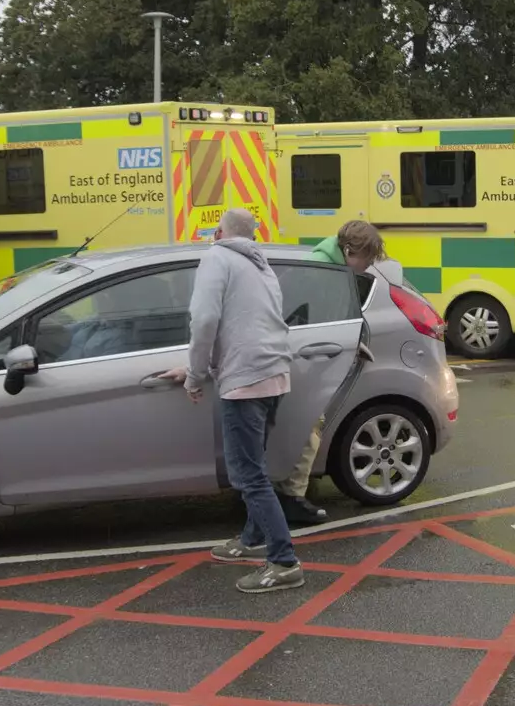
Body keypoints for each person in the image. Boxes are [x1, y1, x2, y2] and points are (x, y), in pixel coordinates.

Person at [165, 208, 303, 593]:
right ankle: (252, 538)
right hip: (274, 374)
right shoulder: (262, 267)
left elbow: (205, 320)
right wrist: (198, 369)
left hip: (245, 380)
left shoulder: (216, 257)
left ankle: (284, 561)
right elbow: (245, 325)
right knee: (254, 467)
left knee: (247, 475)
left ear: (219, 232)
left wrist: (195, 375)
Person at [271, 220, 396, 524]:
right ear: (350, 251)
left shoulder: (325, 266)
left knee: (304, 428)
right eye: (366, 259)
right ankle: (292, 499)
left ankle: (289, 492)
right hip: (303, 363)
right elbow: (314, 322)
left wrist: (352, 346)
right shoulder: (321, 274)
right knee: (309, 430)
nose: (367, 267)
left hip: (303, 361)